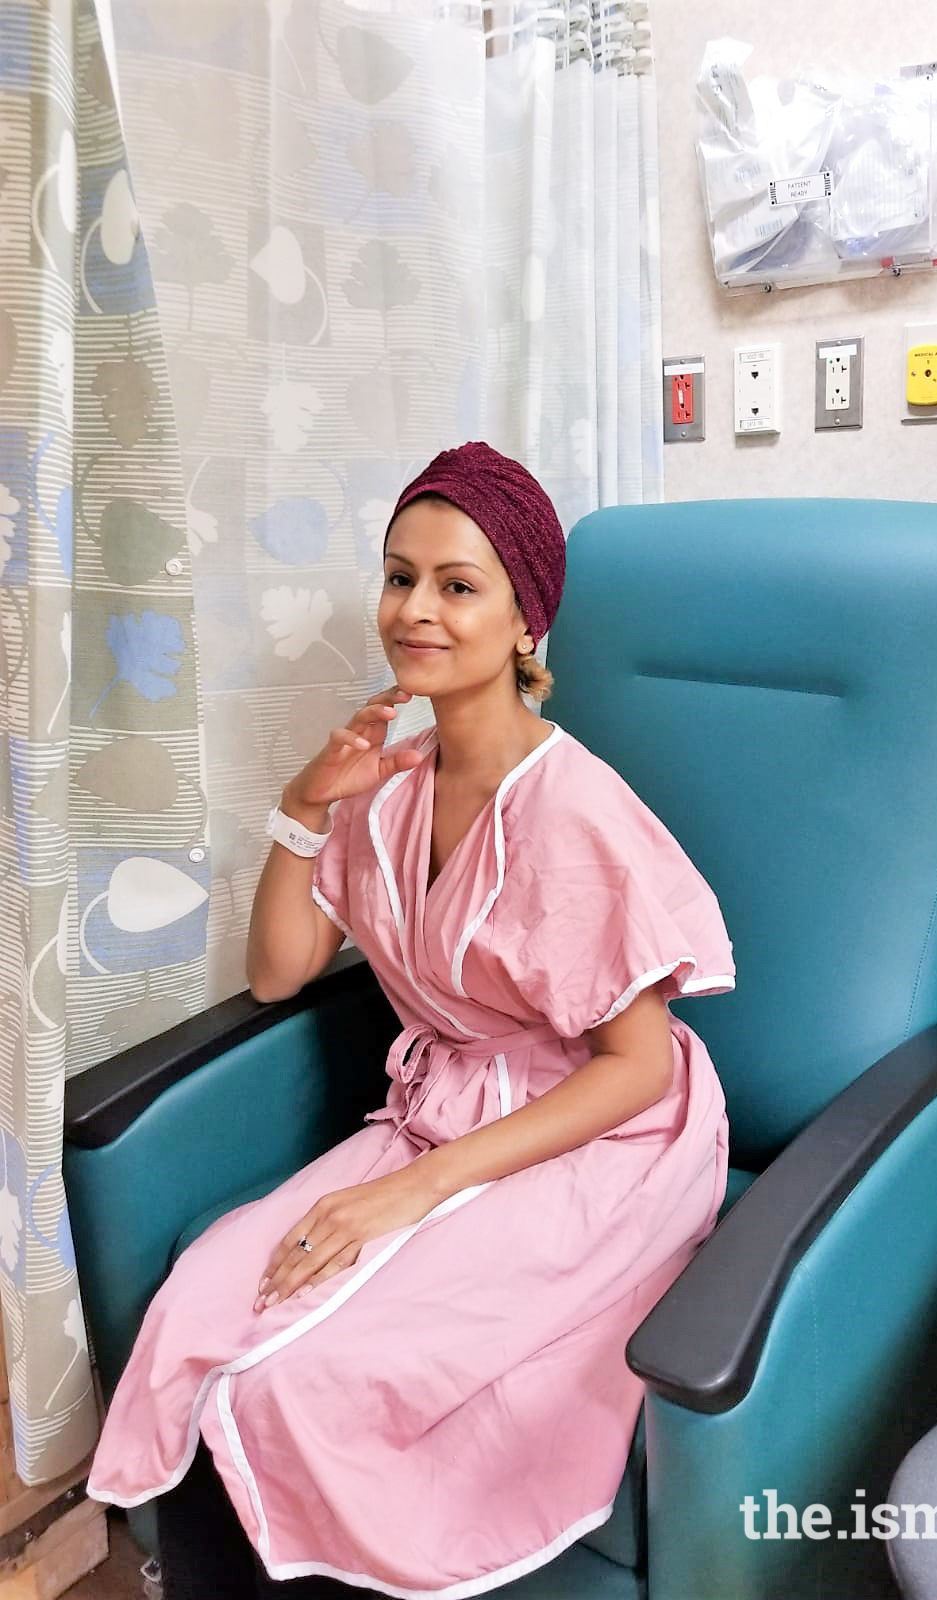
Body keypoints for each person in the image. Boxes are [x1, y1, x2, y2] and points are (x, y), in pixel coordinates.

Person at [87, 442, 736, 1598]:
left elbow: (637, 1068)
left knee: (313, 1379)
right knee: (203, 1302)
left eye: (457, 584)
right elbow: (283, 973)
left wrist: (412, 1189)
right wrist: (301, 807)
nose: (416, 610)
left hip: (602, 1139)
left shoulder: (577, 809)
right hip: (442, 1107)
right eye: (399, 577)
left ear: (528, 620)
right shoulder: (388, 786)